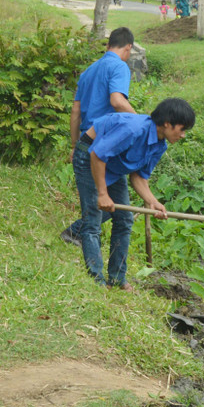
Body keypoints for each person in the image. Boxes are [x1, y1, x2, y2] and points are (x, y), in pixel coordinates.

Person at [74, 98, 195, 290]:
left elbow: (138, 177)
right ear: (167, 123)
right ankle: (96, 280)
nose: (183, 135)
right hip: (90, 155)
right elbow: (97, 154)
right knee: (92, 222)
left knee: (125, 220)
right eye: (182, 129)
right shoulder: (133, 129)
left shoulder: (160, 145)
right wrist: (103, 194)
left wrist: (153, 202)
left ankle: (117, 278)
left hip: (114, 165)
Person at [62, 28, 137, 246]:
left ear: (107, 45)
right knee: (115, 204)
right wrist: (141, 123)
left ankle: (76, 233)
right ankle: (75, 232)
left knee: (103, 200)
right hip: (105, 142)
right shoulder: (119, 66)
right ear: (128, 47)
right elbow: (117, 101)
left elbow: (75, 112)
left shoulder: (89, 71)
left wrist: (75, 145)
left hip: (86, 141)